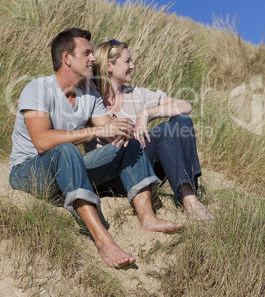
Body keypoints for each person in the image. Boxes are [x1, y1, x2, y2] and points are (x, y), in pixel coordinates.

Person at [9, 28, 184, 269]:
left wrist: (121, 127)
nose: (93, 58)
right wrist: (94, 131)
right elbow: (42, 142)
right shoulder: (38, 89)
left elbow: (106, 126)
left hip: (67, 170)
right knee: (66, 149)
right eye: (87, 53)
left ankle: (148, 218)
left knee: (126, 142)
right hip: (29, 171)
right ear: (67, 58)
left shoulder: (89, 93)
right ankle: (104, 241)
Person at [91, 39, 212, 220]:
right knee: (164, 131)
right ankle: (188, 200)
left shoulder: (137, 94)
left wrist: (146, 113)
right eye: (127, 61)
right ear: (109, 66)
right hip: (112, 177)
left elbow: (185, 106)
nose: (133, 66)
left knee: (181, 120)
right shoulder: (91, 99)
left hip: (143, 168)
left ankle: (188, 198)